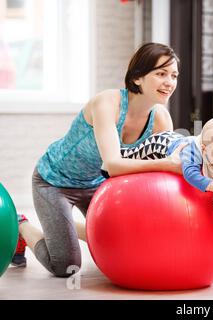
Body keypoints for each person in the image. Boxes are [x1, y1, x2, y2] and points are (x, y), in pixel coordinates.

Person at [13, 43, 187, 276]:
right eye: (161, 73)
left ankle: (60, 228)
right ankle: (22, 226)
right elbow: (113, 165)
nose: (169, 82)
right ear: (137, 78)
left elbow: (153, 177)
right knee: (65, 265)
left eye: (174, 75)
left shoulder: (161, 120)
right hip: (53, 181)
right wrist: (167, 164)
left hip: (97, 185)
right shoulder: (108, 104)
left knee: (127, 245)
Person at [109, 117, 213, 194]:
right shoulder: (193, 152)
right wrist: (208, 184)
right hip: (160, 144)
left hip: (178, 139)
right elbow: (189, 173)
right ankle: (116, 152)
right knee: (132, 154)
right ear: (204, 149)